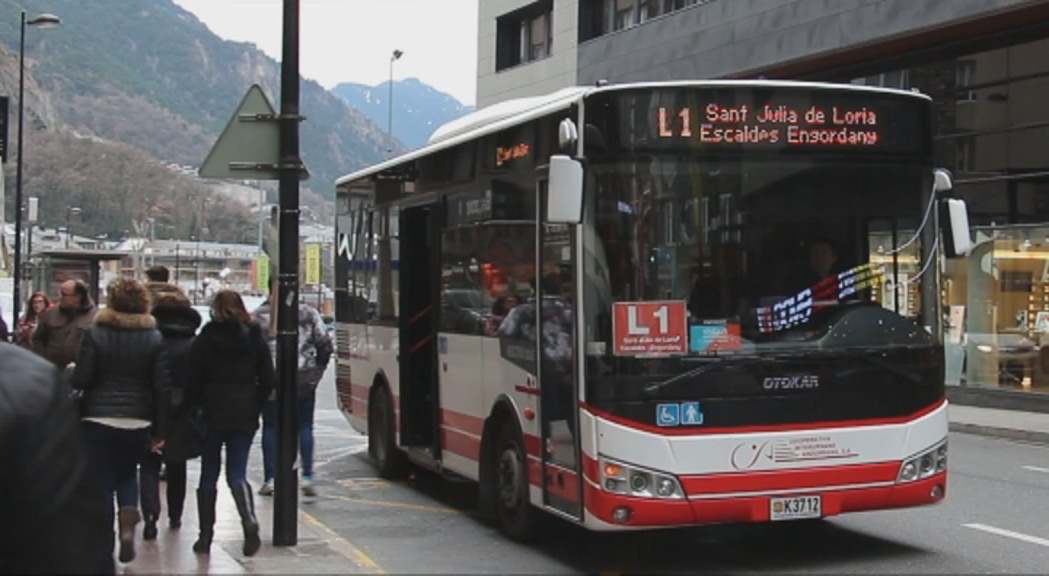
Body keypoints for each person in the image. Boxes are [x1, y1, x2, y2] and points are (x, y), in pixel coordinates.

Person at [71, 277, 170, 565]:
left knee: (101, 478)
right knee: (128, 473)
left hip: (97, 417)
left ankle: (105, 540)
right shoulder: (154, 337)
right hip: (137, 419)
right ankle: (128, 514)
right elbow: (160, 387)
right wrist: (160, 429)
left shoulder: (96, 332)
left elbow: (83, 379)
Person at [0, 342, 116, 574]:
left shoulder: (26, 384)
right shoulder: (28, 383)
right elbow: (67, 547)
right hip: (135, 416)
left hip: (99, 413)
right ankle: (129, 509)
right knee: (123, 476)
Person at [186, 290, 275, 557]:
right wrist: (255, 403)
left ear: (215, 308)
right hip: (244, 409)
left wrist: (195, 407)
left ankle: (205, 537)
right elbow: (268, 377)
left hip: (212, 410)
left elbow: (193, 379)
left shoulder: (206, 337)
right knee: (237, 472)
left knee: (208, 474)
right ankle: (248, 519)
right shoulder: (254, 336)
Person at [253, 281, 334, 498]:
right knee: (304, 425)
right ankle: (307, 475)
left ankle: (271, 478)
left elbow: (251, 349)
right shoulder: (308, 313)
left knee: (270, 426)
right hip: (303, 377)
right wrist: (316, 371)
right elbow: (325, 344)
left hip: (270, 378)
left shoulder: (259, 315)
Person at [138, 289, 202, 540]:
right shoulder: (194, 341)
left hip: (150, 404)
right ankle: (175, 515)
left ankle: (151, 515)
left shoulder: (150, 338)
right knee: (177, 464)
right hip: (184, 406)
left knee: (149, 462)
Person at [33, 279, 98, 369]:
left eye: (64, 295)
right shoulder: (50, 314)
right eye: (60, 293)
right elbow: (38, 339)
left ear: (77, 297)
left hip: (79, 373)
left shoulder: (94, 317)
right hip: (52, 370)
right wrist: (43, 359)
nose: (60, 297)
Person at [689, 243, 750, 320]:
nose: (729, 264)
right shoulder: (702, 287)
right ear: (716, 262)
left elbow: (746, 317)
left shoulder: (745, 287)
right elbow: (694, 316)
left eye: (734, 259)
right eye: (725, 259)